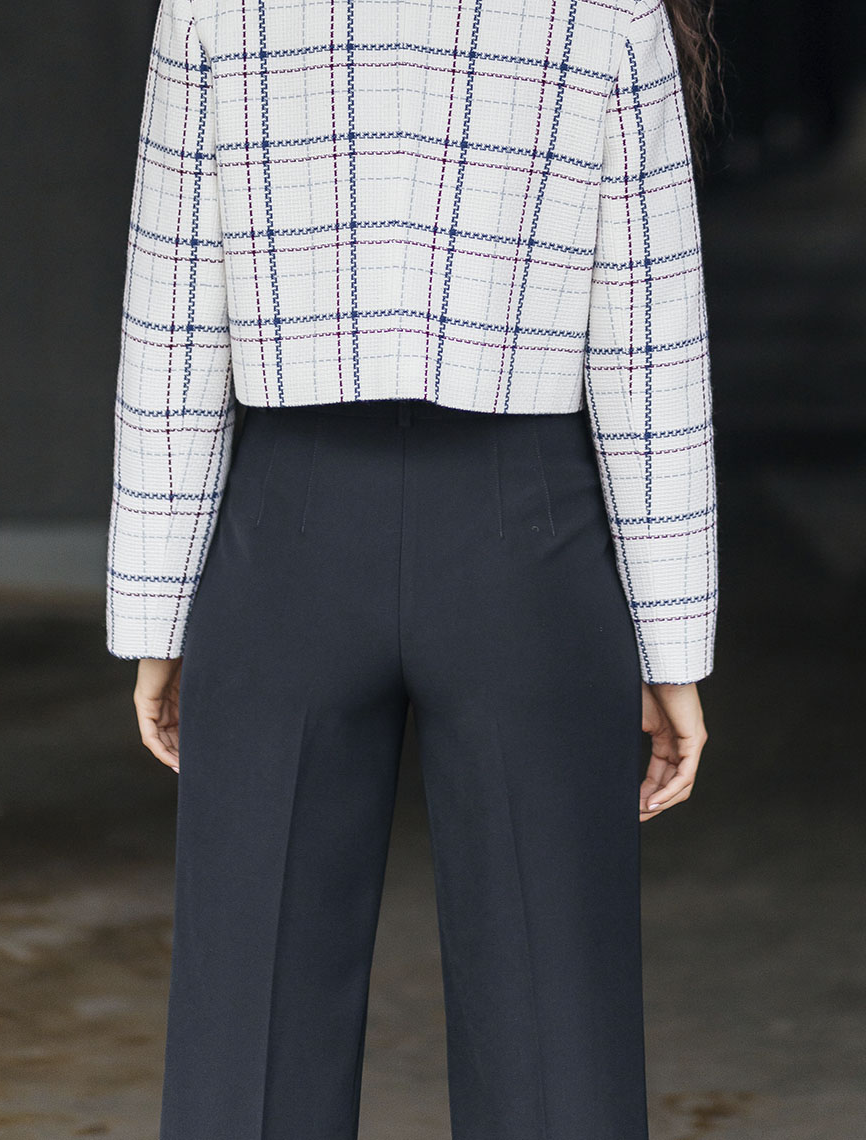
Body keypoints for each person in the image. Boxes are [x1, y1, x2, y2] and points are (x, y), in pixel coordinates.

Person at [105, 0, 721, 1136]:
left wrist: (157, 611)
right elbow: (650, 338)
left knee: (248, 1035)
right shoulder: (609, 10)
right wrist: (672, 641)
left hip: (287, 523)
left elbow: (175, 313)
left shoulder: (212, 6)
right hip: (524, 530)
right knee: (558, 1031)